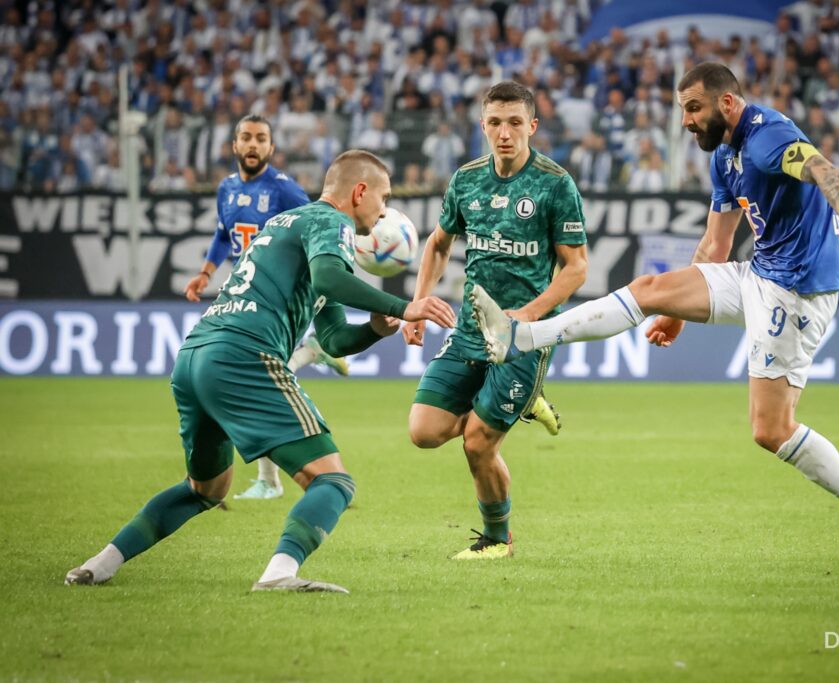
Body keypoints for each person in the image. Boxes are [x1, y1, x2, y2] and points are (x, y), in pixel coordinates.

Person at [470, 64, 839, 582]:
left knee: (771, 430)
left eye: (694, 108)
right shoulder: (725, 156)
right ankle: (522, 336)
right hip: (759, 272)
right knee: (651, 289)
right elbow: (716, 245)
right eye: (683, 110)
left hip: (797, 291)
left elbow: (826, 170)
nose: (685, 121)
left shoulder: (768, 137)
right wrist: (676, 315)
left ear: (727, 103)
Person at [65, 150, 456, 592]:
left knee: (205, 489)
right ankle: (279, 573)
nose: (384, 211)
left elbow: (332, 340)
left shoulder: (287, 225)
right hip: (245, 357)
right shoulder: (331, 221)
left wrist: (375, 329)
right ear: (359, 192)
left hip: (195, 356)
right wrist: (406, 306)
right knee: (333, 482)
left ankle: (100, 563)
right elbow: (329, 279)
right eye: (383, 198)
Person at [403, 81, 589, 560]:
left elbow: (576, 268)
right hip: (471, 330)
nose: (504, 133)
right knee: (424, 432)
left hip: (525, 337)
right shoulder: (466, 180)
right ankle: (525, 400)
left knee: (478, 444)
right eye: (494, 123)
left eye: (514, 123)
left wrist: (527, 315)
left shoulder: (554, 184)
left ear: (533, 125)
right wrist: (419, 302)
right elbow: (438, 244)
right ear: (482, 126)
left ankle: (496, 540)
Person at [182, 113, 350, 501]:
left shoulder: (285, 190)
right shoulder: (226, 188)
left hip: (282, 296)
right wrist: (205, 273)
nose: (253, 144)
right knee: (259, 377)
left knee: (263, 377)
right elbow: (222, 234)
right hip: (246, 293)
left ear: (272, 148)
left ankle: (269, 481)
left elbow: (318, 227)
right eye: (246, 137)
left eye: (261, 138)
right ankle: (314, 351)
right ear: (234, 145)